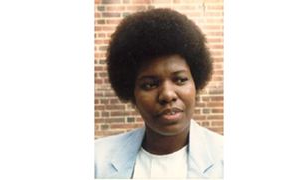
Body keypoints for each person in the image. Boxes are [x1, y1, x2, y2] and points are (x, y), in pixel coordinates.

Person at [95, 8, 223, 179]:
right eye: (149, 85)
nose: (168, 94)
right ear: (132, 93)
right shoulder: (96, 160)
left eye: (180, 80)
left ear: (196, 82)